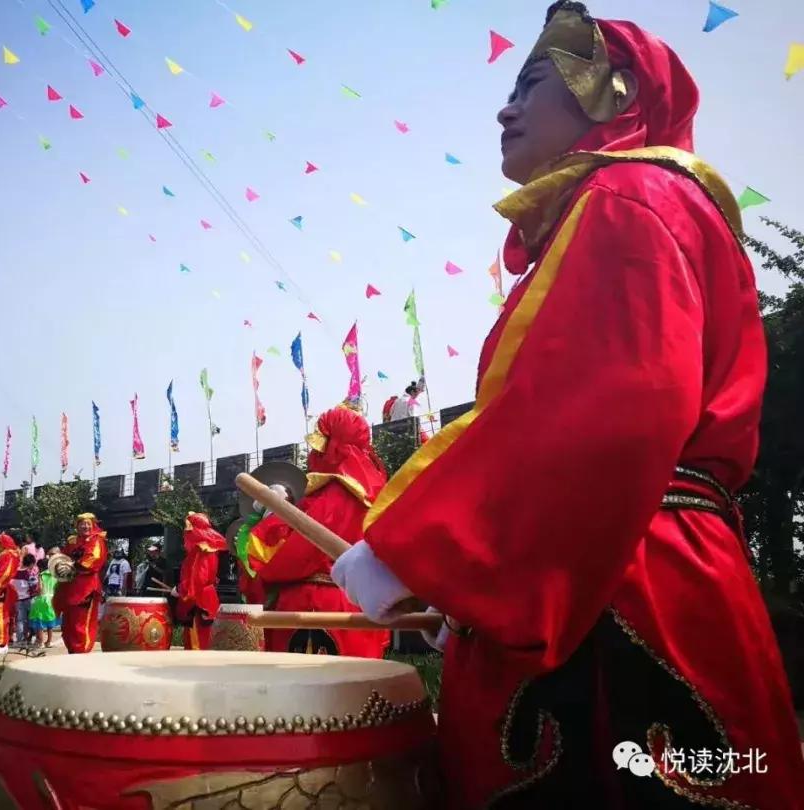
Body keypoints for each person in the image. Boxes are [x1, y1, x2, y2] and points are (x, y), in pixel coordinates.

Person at [331, 4, 804, 807]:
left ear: (613, 92)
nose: (504, 107)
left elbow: (596, 413)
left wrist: (420, 552)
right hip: (641, 560)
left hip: (620, 578)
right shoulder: (648, 204)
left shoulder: (628, 198)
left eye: (532, 83)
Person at [242, 406, 390, 658]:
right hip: (360, 605)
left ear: (335, 448)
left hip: (317, 605)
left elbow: (293, 557)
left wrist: (269, 527)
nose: (313, 453)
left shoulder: (336, 494)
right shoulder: (379, 494)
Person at [53, 513, 107, 654]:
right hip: (69, 587)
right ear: (77, 526)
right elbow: (63, 558)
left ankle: (81, 651)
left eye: (88, 523)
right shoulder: (72, 541)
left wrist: (73, 566)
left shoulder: (96, 540)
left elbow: (94, 559)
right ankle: (72, 649)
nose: (85, 526)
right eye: (82, 523)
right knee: (69, 622)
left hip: (86, 588)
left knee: (81, 621)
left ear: (93, 524)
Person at [172, 513, 224, 650]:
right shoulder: (209, 549)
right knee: (205, 638)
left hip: (198, 600)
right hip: (207, 597)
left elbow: (199, 579)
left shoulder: (200, 551)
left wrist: (180, 589)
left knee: (197, 642)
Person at [29, 558, 58, 648]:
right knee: (50, 621)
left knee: (39, 622)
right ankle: (49, 642)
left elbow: (40, 588)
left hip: (42, 599)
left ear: (40, 567)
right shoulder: (54, 575)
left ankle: (40, 642)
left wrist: (35, 593)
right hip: (52, 599)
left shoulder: (41, 575)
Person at [11, 553, 38, 645]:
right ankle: (32, 636)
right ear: (31, 563)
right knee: (32, 618)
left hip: (17, 599)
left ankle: (20, 639)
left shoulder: (14, 572)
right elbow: (34, 585)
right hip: (29, 598)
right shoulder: (29, 573)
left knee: (20, 620)